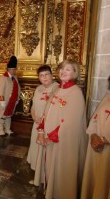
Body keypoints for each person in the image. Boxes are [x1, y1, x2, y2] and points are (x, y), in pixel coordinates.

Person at [36, 59, 87, 199]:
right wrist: (41, 131)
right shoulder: (58, 89)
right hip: (50, 140)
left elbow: (71, 123)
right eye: (62, 69)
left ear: (75, 73)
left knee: (62, 172)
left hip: (62, 142)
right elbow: (46, 112)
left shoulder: (75, 93)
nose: (63, 72)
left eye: (68, 69)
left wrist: (50, 137)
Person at [26, 65, 59, 185]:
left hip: (50, 126)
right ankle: (38, 176)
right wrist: (34, 117)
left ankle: (47, 179)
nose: (44, 77)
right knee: (37, 150)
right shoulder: (38, 89)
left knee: (47, 153)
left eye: (46, 74)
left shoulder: (58, 89)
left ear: (52, 75)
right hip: (37, 124)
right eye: (41, 75)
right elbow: (33, 107)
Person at [81, 76, 110, 199]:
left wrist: (105, 139)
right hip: (96, 146)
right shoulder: (107, 96)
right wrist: (93, 135)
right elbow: (94, 118)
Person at [0, 56, 21, 136]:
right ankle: (0, 129)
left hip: (12, 101)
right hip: (4, 101)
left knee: (9, 115)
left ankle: (7, 129)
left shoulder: (15, 78)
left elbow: (18, 88)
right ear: (9, 69)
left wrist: (17, 98)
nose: (14, 71)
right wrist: (2, 101)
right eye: (13, 69)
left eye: (15, 69)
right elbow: (0, 91)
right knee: (2, 115)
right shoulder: (3, 78)